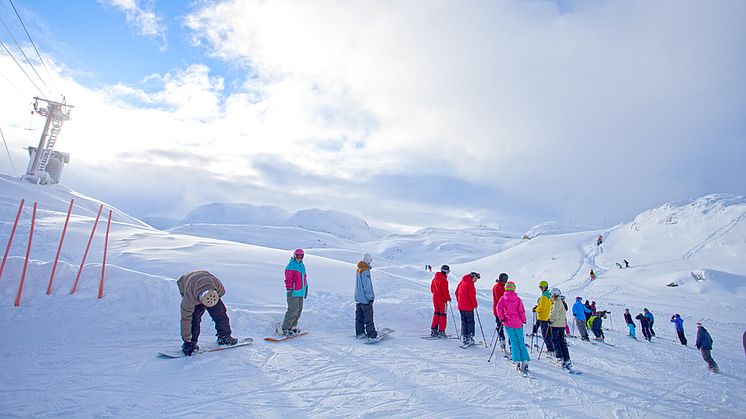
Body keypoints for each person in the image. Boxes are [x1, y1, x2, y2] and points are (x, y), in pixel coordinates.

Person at [177, 270, 238, 356]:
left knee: (220, 313)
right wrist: (187, 339)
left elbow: (219, 298)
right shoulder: (189, 299)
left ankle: (224, 337)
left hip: (207, 282)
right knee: (194, 318)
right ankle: (191, 343)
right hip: (187, 283)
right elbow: (186, 319)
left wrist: (211, 305)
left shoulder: (218, 288)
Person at [496, 281, 530, 374]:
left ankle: (517, 361)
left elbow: (498, 308)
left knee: (514, 342)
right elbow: (521, 311)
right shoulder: (518, 299)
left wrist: (502, 318)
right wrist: (523, 320)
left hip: (508, 323)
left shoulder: (503, 299)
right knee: (521, 341)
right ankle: (525, 361)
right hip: (518, 323)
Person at [280, 248, 308, 337]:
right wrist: (289, 289)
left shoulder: (302, 266)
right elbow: (288, 278)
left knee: (298, 310)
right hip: (294, 292)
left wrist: (306, 289)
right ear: (294, 255)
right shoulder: (291, 265)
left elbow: (304, 279)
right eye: (298, 255)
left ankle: (293, 326)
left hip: (301, 292)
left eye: (301, 256)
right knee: (292, 310)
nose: (299, 257)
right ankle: (285, 328)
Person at [355, 253, 377, 340]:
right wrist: (370, 297)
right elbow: (367, 286)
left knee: (359, 317)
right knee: (368, 317)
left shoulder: (359, 269)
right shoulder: (365, 271)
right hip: (365, 299)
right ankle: (371, 334)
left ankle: (360, 332)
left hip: (358, 298)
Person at [549, 288, 572, 369]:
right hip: (562, 325)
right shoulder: (561, 302)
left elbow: (554, 314)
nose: (551, 297)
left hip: (556, 325)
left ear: (555, 295)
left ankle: (560, 358)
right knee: (562, 342)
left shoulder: (556, 303)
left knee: (556, 341)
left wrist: (550, 320)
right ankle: (567, 359)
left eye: (551, 295)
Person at [456, 272, 480, 345]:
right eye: (475, 278)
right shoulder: (470, 284)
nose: (476, 280)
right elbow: (472, 296)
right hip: (468, 307)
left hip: (461, 306)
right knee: (470, 321)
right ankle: (470, 337)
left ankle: (465, 337)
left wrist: (459, 300)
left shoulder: (462, 282)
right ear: (472, 277)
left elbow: (456, 292)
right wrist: (475, 304)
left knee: (464, 322)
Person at [533, 280, 555, 357]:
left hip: (543, 317)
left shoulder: (544, 297)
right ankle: (552, 348)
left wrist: (536, 309)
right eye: (540, 287)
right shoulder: (548, 296)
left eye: (542, 287)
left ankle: (550, 349)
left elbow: (542, 307)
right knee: (548, 333)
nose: (541, 288)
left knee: (545, 334)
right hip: (547, 317)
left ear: (545, 287)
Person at [430, 265, 452, 338]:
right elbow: (445, 291)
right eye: (448, 272)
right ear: (445, 271)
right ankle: (441, 331)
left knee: (437, 313)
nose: (448, 273)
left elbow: (432, 289)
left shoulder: (435, 278)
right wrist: (448, 298)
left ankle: (434, 330)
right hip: (442, 300)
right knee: (443, 315)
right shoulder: (444, 280)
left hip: (435, 299)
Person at [492, 273, 509, 351]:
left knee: (499, 326)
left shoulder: (496, 286)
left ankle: (501, 340)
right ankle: (503, 342)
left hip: (496, 310)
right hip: (503, 311)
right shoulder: (502, 288)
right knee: (506, 326)